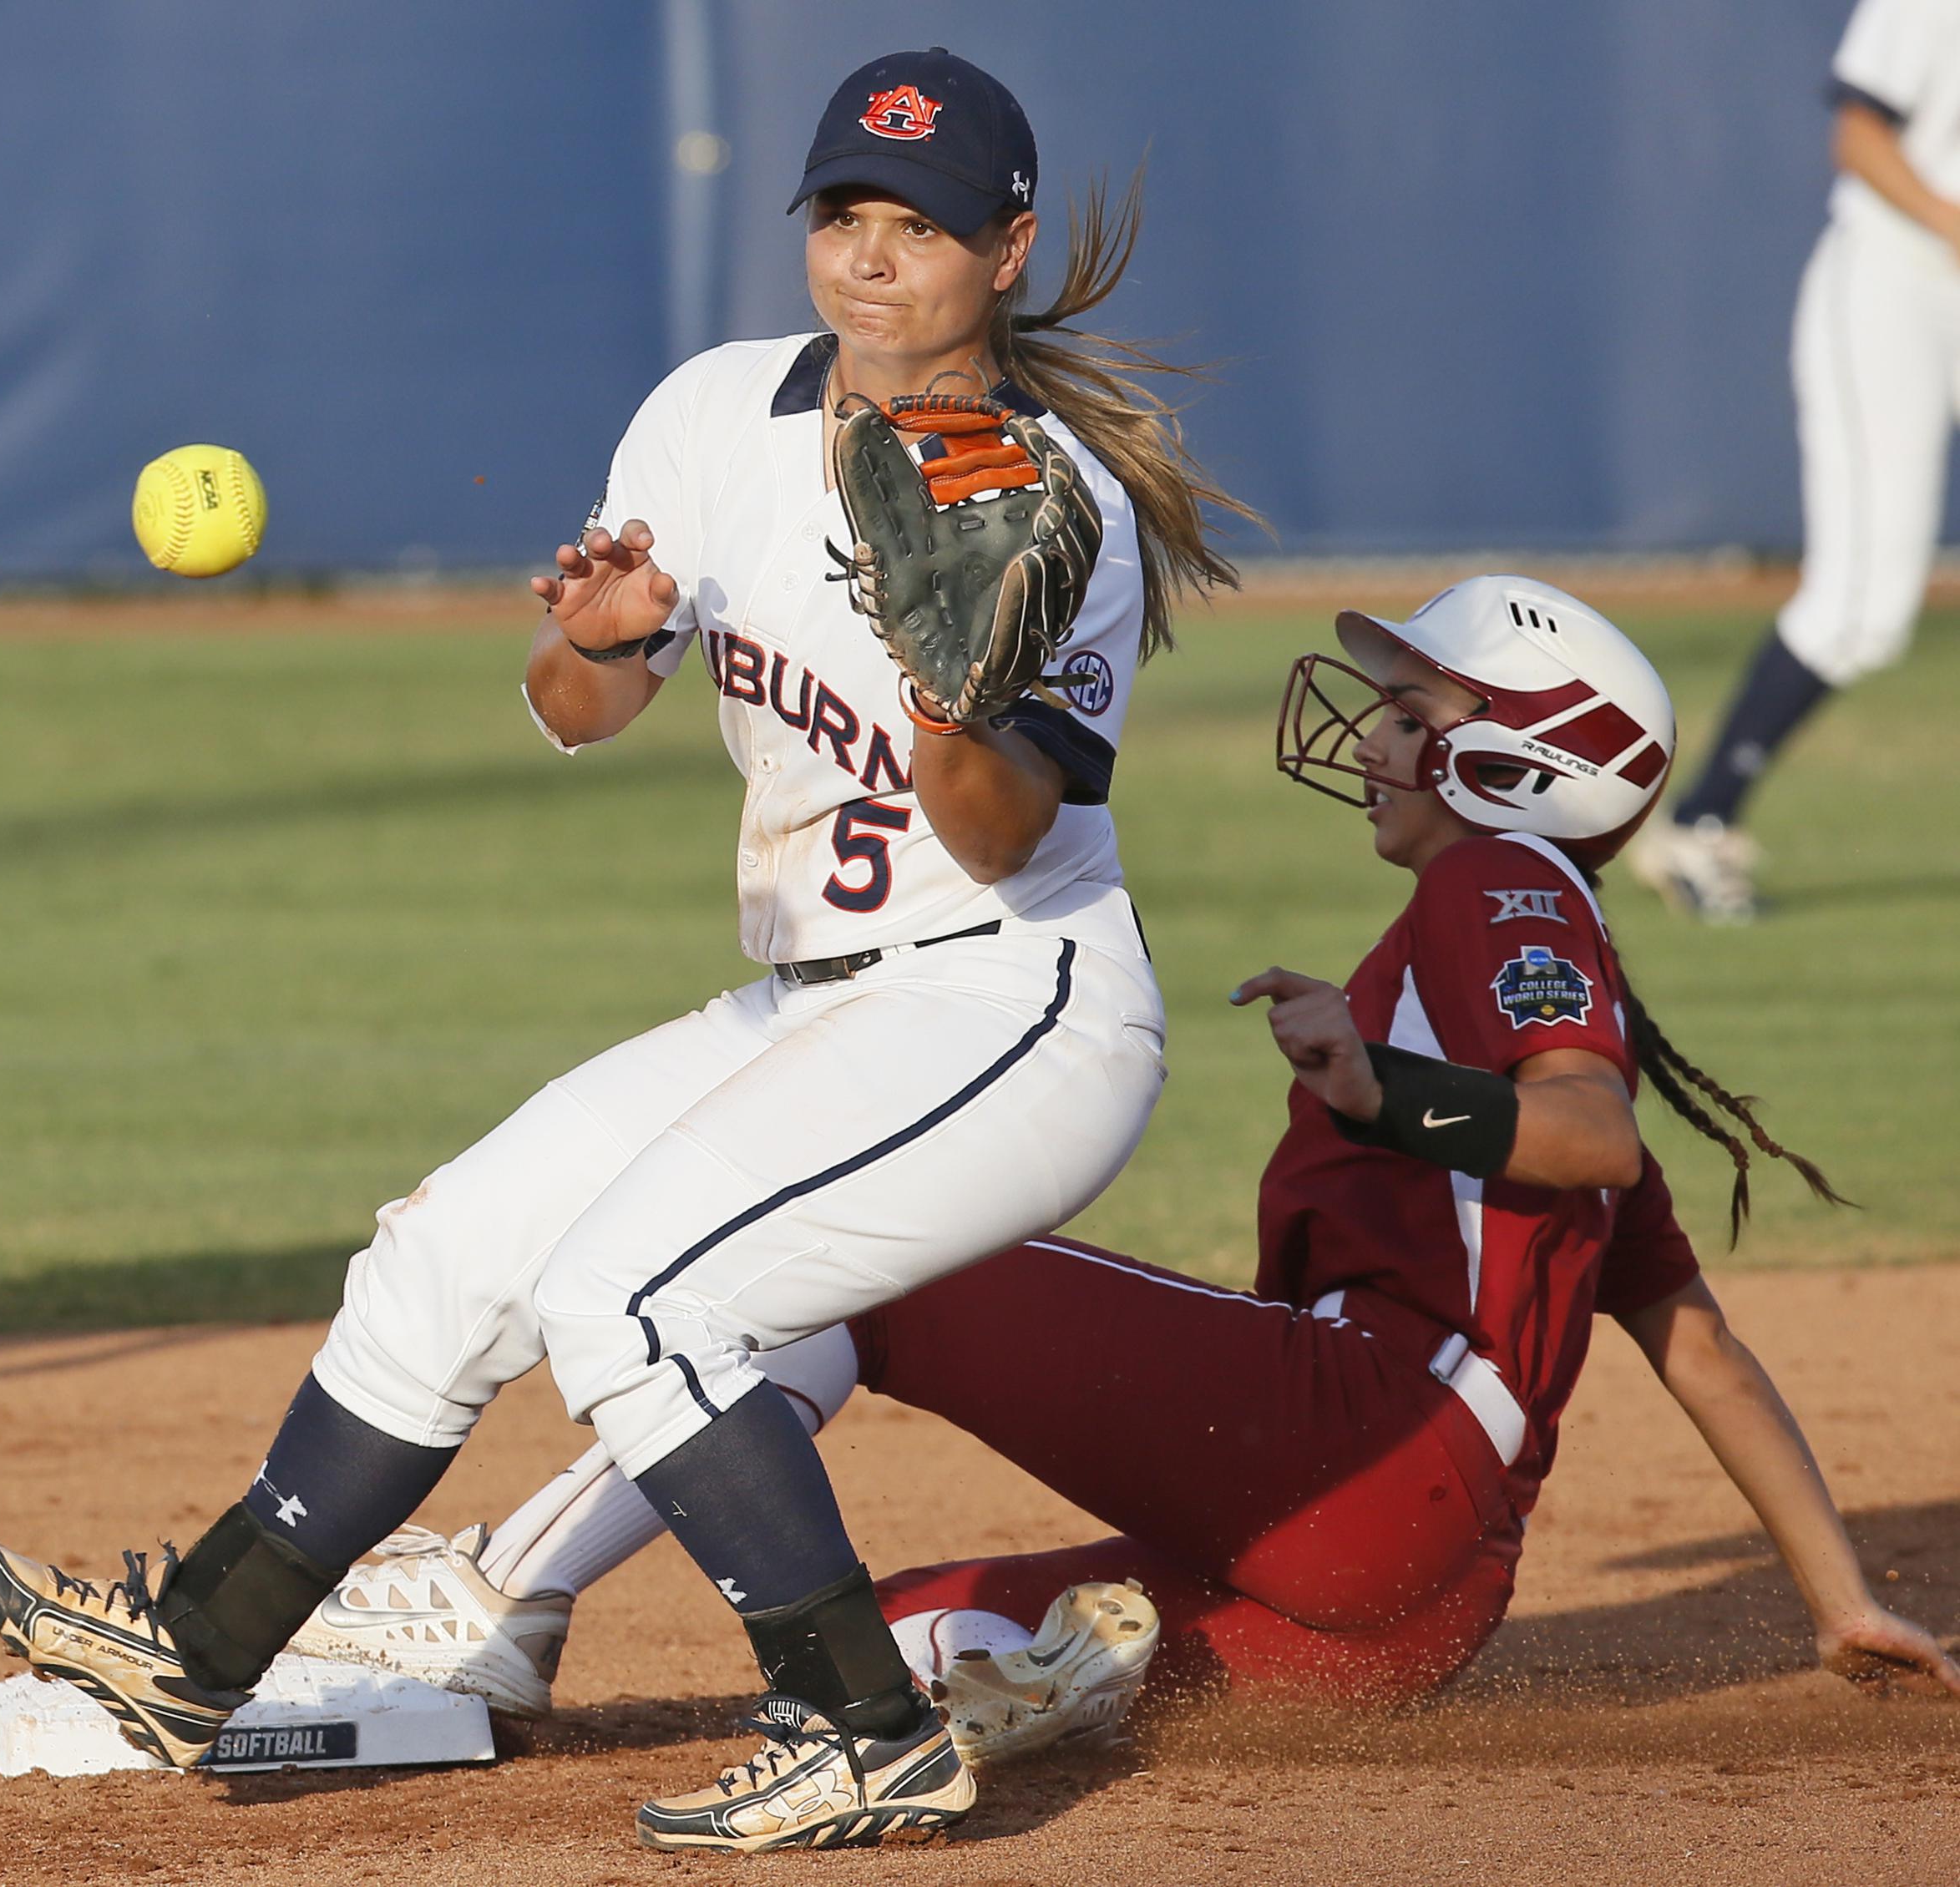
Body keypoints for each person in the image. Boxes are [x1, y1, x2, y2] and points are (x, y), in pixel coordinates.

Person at [0, 47, 1245, 1854]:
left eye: (923, 227)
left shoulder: (1055, 505)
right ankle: (199, 1647)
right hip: (818, 992)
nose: (873, 259)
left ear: (1008, 248)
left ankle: (863, 1723)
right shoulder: (716, 414)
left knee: (639, 1297)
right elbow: (579, 703)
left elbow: (997, 828)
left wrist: (950, 667)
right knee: (451, 1249)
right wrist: (606, 633)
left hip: (1011, 996)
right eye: (845, 217)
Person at [290, 576, 1958, 1759]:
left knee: (861, 1243)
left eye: (1418, 707)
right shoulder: (1488, 948)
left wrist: (1386, 1090)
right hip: (1416, 1612)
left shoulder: (1502, 888)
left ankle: (498, 1595)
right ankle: (1041, 1674)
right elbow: (1702, 1346)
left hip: (1373, 1449)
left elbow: (1587, 1121)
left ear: (1523, 766)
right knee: (887, 1641)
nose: (1376, 726)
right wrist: (1841, 1602)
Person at [1632, 0, 1960, 922]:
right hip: (1901, 283)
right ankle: (1698, 828)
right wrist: (1949, 218)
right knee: (1863, 606)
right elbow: (1858, 134)